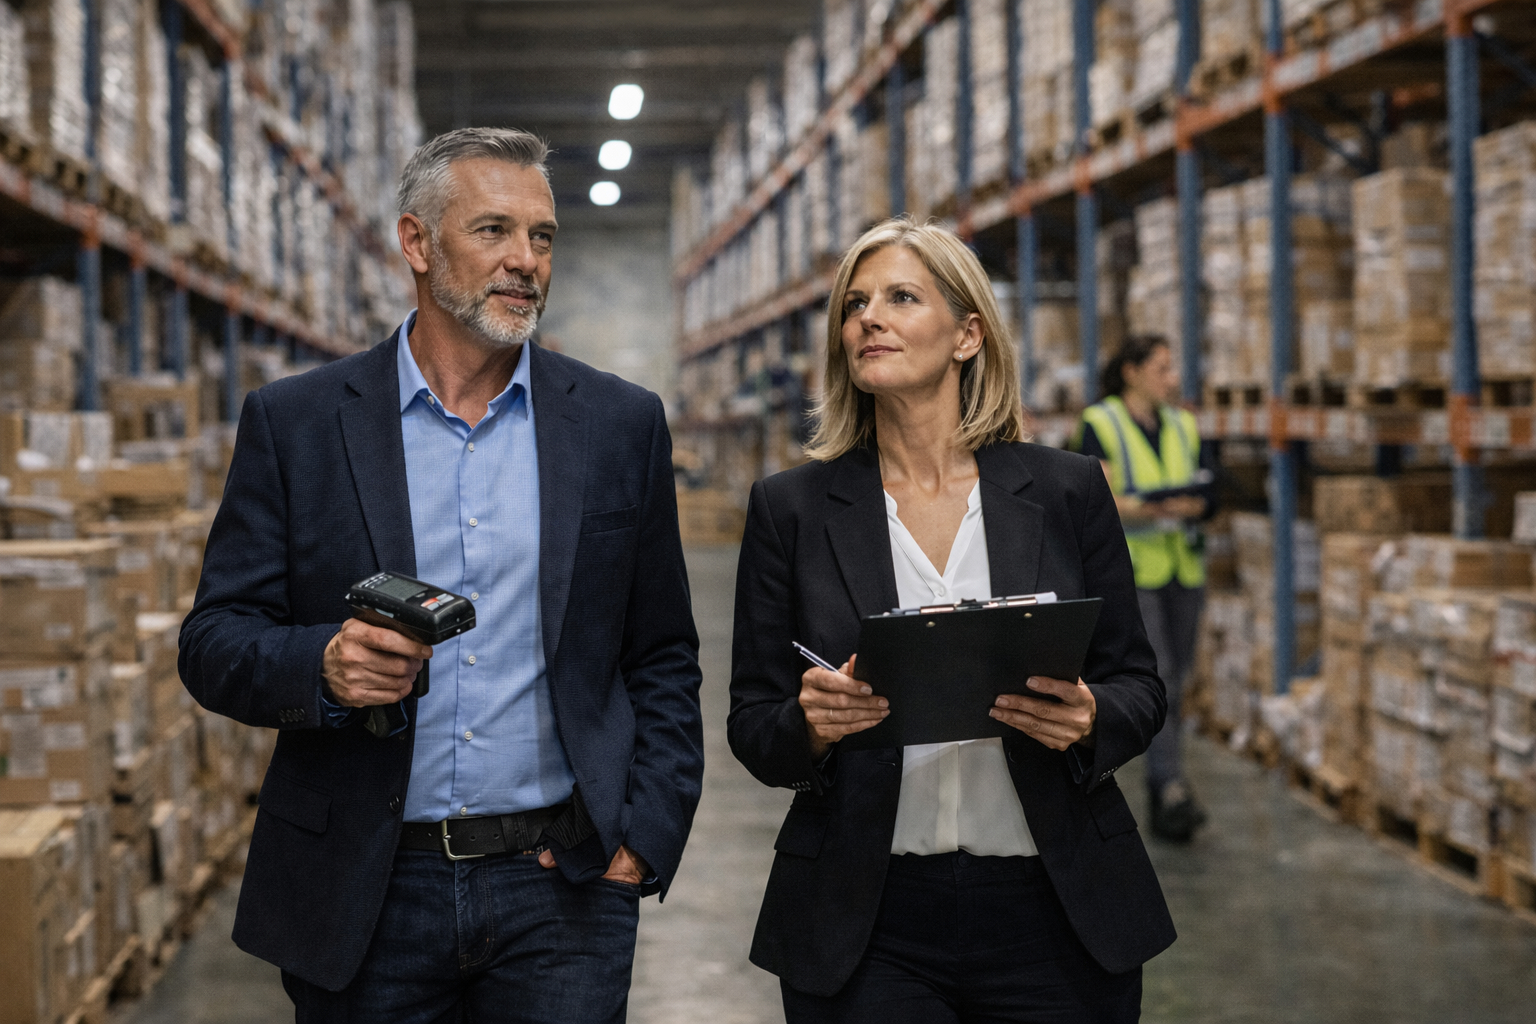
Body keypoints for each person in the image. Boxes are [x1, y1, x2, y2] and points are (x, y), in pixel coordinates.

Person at [179, 127, 705, 1023]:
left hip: (561, 887)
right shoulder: (298, 423)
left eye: (541, 237)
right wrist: (324, 668)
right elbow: (214, 638)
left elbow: (661, 654)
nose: (524, 261)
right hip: (368, 887)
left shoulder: (619, 424)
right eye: (493, 230)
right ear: (416, 244)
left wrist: (644, 838)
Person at [728, 217, 1174, 1023]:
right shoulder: (791, 510)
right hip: (869, 920)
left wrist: (1090, 716)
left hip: (1055, 909)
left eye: (902, 296)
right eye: (855, 303)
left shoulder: (1066, 491)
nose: (869, 317)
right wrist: (814, 723)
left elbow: (1139, 684)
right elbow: (754, 724)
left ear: (968, 333)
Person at [1074, 335, 1217, 842]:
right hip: (1134, 574)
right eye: (1162, 367)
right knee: (1160, 681)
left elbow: (1206, 492)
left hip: (1183, 569)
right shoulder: (1101, 423)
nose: (1172, 378)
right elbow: (1101, 499)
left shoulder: (1183, 424)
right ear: (1132, 371)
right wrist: (1162, 507)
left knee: (1179, 680)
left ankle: (1164, 792)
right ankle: (1169, 785)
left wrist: (1167, 505)